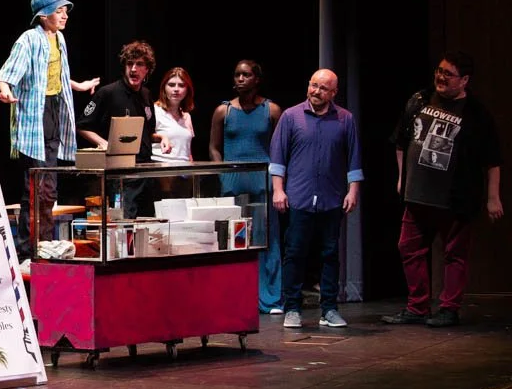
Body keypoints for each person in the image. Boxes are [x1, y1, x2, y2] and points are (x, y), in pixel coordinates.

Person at [382, 51, 503, 327]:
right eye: (439, 70)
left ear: (465, 80)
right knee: (408, 247)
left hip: (455, 198)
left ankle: (449, 308)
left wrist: (493, 198)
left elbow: (493, 160)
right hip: (417, 194)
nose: (441, 77)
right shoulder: (419, 100)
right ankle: (418, 307)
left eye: (448, 74)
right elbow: (400, 142)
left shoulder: (476, 114)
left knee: (454, 253)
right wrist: (402, 178)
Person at [0, 0, 99, 268]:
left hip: (53, 110)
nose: (64, 16)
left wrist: (80, 86)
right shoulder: (28, 39)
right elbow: (7, 73)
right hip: (34, 116)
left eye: (65, 11)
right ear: (43, 15)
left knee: (49, 188)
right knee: (35, 187)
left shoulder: (59, 39)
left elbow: (59, 75)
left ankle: (45, 245)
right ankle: (27, 251)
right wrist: (5, 91)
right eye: (58, 11)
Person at [269, 68, 363, 329]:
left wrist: (353, 190)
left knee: (330, 254)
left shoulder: (345, 119)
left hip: (331, 198)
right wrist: (278, 189)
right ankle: (292, 308)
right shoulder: (291, 117)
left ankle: (329, 309)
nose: (316, 91)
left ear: (333, 92)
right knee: (295, 253)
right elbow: (278, 157)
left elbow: (354, 158)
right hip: (299, 197)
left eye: (323, 88)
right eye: (314, 85)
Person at [209, 60, 283, 314]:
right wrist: (222, 173)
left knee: (266, 239)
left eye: (246, 75)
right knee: (234, 239)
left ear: (257, 79)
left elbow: (280, 148)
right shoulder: (224, 111)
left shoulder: (271, 110)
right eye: (237, 74)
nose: (240, 79)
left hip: (262, 181)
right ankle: (235, 296)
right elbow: (214, 147)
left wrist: (277, 180)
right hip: (232, 182)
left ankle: (270, 298)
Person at [77, 39, 169, 218]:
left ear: (147, 69)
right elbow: (82, 126)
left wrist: (162, 138)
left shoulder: (146, 95)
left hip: (145, 171)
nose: (133, 69)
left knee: (148, 223)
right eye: (130, 64)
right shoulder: (108, 93)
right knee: (124, 223)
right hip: (121, 175)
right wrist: (105, 143)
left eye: (139, 64)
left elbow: (146, 133)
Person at [151, 67, 195, 165]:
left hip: (184, 168)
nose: (176, 89)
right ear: (164, 87)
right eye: (171, 85)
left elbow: (188, 151)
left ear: (187, 89)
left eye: (181, 85)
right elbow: (143, 137)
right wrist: (161, 137)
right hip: (161, 165)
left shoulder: (186, 116)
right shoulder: (155, 110)